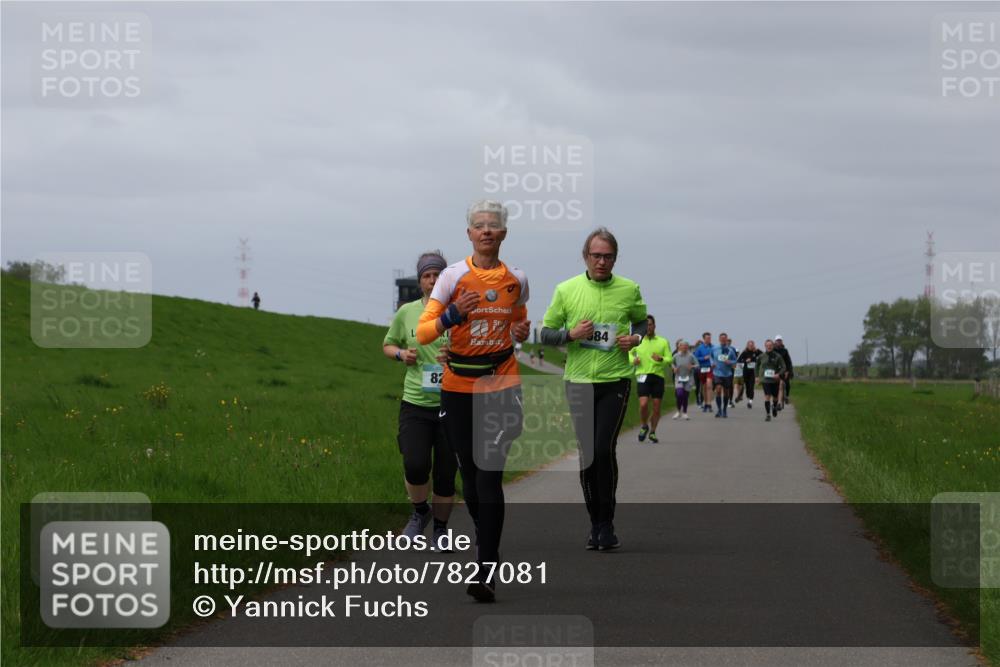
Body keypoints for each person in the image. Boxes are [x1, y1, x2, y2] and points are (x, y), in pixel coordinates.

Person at [416, 200, 531, 602]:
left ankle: (485, 569)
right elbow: (424, 333)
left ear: (503, 234)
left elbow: (519, 318)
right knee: (469, 473)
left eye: (493, 226)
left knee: (488, 475)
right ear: (469, 233)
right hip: (457, 386)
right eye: (479, 226)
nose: (486, 231)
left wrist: (521, 330)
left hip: (500, 383)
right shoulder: (452, 277)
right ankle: (488, 539)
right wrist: (453, 316)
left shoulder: (517, 278)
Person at [541, 227, 647, 552]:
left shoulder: (629, 289)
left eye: (608, 256)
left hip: (614, 381)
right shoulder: (566, 289)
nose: (602, 261)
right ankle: (596, 524)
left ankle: (608, 521)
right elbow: (546, 333)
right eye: (596, 255)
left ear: (615, 258)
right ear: (585, 256)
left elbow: (641, 322)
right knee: (588, 455)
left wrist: (636, 338)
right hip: (578, 382)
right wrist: (570, 335)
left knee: (603, 449)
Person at [382, 251, 456, 551]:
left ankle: (440, 531)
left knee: (445, 473)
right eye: (427, 276)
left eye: (438, 275)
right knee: (415, 464)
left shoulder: (458, 310)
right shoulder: (407, 312)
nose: (432, 280)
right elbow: (388, 345)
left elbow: (477, 349)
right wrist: (402, 354)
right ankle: (420, 512)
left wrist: (455, 356)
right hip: (415, 402)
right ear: (420, 281)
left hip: (453, 402)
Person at [629, 315, 672, 443]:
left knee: (657, 407)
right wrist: (633, 360)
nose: (648, 327)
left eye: (650, 324)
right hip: (642, 375)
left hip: (658, 376)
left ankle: (652, 432)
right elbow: (629, 355)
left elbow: (670, 358)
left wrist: (661, 359)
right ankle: (644, 426)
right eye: (646, 325)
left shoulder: (663, 341)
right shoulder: (637, 341)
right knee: (643, 405)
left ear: (654, 326)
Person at [757, 339, 788, 422]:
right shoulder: (761, 356)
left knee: (775, 398)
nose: (769, 347)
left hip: (775, 380)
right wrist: (757, 376)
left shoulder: (778, 356)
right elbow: (757, 366)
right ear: (765, 346)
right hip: (765, 380)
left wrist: (778, 374)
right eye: (767, 345)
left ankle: (774, 407)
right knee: (767, 396)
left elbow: (784, 367)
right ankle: (768, 414)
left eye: (770, 345)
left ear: (773, 346)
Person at [711, 332, 738, 418]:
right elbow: (711, 357)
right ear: (719, 339)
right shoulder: (714, 348)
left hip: (727, 374)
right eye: (721, 339)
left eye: (724, 339)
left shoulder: (730, 350)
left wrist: (730, 362)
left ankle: (724, 410)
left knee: (726, 392)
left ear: (726, 340)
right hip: (717, 372)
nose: (723, 340)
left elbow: (735, 361)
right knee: (718, 390)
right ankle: (719, 410)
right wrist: (712, 363)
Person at [671, 340, 697, 420]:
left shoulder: (691, 356)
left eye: (686, 346)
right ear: (679, 347)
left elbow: (697, 364)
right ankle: (678, 411)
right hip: (679, 377)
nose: (684, 347)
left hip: (689, 378)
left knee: (685, 395)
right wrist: (674, 368)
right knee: (679, 394)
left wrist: (692, 366)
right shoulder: (676, 356)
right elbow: (671, 363)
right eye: (682, 346)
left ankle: (685, 413)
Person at [735, 340, 762, 408]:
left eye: (752, 345)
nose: (751, 346)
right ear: (747, 346)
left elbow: (764, 356)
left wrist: (758, 351)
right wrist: (745, 361)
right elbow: (738, 361)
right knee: (746, 387)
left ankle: (750, 402)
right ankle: (740, 396)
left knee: (751, 387)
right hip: (746, 372)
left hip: (753, 372)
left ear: (754, 345)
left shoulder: (756, 352)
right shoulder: (744, 352)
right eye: (749, 345)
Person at [693, 332, 714, 412]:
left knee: (709, 385)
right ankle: (706, 404)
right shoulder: (700, 348)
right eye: (707, 338)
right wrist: (704, 358)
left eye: (710, 338)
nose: (709, 339)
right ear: (704, 339)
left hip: (710, 368)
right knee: (704, 387)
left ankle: (709, 404)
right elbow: (695, 358)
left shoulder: (713, 347)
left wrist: (714, 363)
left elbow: (716, 357)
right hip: (702, 369)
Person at [774, 335, 794, 407]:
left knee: (787, 383)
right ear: (775, 341)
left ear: (782, 342)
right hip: (775, 370)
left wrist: (788, 371)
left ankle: (787, 396)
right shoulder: (772, 350)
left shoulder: (785, 351)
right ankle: (776, 399)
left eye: (780, 341)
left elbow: (788, 362)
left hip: (784, 369)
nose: (779, 342)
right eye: (777, 341)